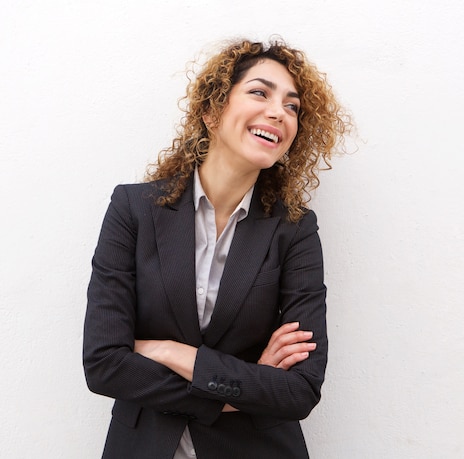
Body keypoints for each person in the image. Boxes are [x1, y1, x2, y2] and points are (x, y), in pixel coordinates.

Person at [83, 38, 350, 459]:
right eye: (259, 92)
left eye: (293, 106)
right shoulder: (133, 209)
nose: (279, 111)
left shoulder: (294, 230)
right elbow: (104, 364)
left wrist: (169, 351)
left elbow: (300, 389)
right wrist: (248, 385)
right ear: (211, 111)